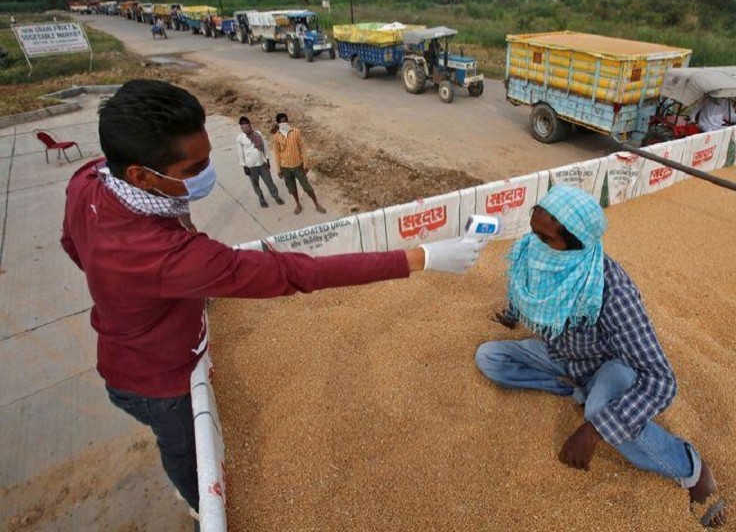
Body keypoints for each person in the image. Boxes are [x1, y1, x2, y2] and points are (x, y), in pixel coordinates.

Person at [60, 79, 487, 523]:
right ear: (141, 175)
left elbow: (72, 245)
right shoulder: (169, 258)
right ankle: (196, 505)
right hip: (158, 382)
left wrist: (124, 292)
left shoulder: (89, 180)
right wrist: (425, 256)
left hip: (121, 346)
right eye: (195, 167)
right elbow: (297, 273)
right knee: (190, 456)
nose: (208, 172)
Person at [474, 185, 726, 528]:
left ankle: (691, 469)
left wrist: (592, 432)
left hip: (607, 366)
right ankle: (580, 392)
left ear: (577, 245)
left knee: (599, 412)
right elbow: (525, 286)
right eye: (534, 233)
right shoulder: (535, 253)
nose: (536, 246)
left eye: (546, 240)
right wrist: (513, 313)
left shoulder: (611, 291)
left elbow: (661, 380)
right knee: (489, 358)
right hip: (561, 355)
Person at [272, 112, 326, 215]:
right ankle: (298, 204)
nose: (283, 123)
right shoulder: (276, 136)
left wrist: (305, 165)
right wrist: (279, 169)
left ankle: (316, 204)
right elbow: (277, 154)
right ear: (278, 123)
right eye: (281, 122)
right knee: (292, 188)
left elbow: (302, 149)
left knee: (307, 187)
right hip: (285, 168)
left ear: (287, 121)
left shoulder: (296, 132)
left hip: (298, 166)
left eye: (285, 121)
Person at [236, 115, 283, 208]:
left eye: (246, 125)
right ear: (241, 127)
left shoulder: (258, 134)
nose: (245, 127)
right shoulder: (240, 138)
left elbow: (265, 148)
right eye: (242, 126)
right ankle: (261, 199)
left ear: (250, 125)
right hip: (250, 166)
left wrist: (268, 160)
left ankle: (276, 196)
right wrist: (244, 166)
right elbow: (240, 153)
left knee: (269, 181)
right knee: (255, 184)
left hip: (261, 163)